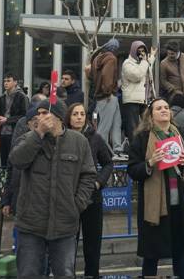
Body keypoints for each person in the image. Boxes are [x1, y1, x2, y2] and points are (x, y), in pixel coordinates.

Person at [8, 100, 96, 278]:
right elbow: (16, 160)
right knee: (28, 273)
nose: (38, 117)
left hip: (64, 224)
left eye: (43, 113)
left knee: (64, 273)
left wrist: (77, 204)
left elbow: (88, 175)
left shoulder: (78, 141)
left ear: (58, 117)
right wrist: (38, 133)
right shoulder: (29, 137)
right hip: (31, 224)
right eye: (37, 114)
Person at [127, 97, 184, 279]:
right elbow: (132, 169)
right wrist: (150, 162)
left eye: (166, 107)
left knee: (180, 251)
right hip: (155, 207)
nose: (164, 110)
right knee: (152, 254)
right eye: (159, 108)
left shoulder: (180, 134)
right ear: (151, 115)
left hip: (179, 204)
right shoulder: (142, 138)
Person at [66, 102, 113, 279]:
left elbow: (108, 163)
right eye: (75, 114)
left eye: (82, 114)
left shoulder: (95, 138)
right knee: (68, 244)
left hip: (92, 197)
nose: (79, 117)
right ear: (68, 117)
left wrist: (99, 182)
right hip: (68, 198)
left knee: (92, 245)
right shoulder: (62, 137)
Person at [88, 37, 124, 153]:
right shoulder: (111, 58)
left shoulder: (97, 59)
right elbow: (106, 75)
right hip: (108, 96)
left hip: (102, 96)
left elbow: (92, 77)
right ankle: (99, 152)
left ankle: (117, 149)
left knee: (116, 123)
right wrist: (107, 91)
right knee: (104, 127)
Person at [120, 40, 154, 143]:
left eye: (143, 51)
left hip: (144, 99)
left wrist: (151, 57)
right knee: (133, 128)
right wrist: (146, 61)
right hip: (132, 100)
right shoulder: (127, 63)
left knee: (147, 125)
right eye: (139, 51)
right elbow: (137, 76)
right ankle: (134, 150)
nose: (141, 53)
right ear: (133, 51)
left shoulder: (144, 63)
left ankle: (144, 147)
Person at [0, 73, 29, 169]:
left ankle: (12, 181)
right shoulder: (2, 97)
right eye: (4, 81)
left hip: (15, 132)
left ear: (15, 82)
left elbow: (25, 116)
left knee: (14, 160)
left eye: (8, 81)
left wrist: (7, 120)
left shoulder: (22, 97)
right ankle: (4, 181)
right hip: (3, 132)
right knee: (4, 160)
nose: (5, 83)